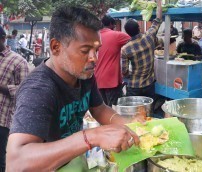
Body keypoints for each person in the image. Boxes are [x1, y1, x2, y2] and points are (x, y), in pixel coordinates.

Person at [6, 6, 145, 171]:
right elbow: (17, 161)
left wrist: (128, 125)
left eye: (96, 50)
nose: (94, 58)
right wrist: (91, 137)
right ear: (56, 47)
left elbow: (99, 108)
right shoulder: (38, 90)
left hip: (73, 157)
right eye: (85, 51)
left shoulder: (83, 74)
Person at [0, 26, 29, 172]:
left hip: (3, 119)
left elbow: (24, 91)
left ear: (3, 39)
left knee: (1, 158)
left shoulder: (18, 61)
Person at [121, 0, 162, 99]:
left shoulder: (125, 49)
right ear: (139, 28)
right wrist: (159, 3)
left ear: (127, 33)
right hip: (149, 84)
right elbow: (158, 18)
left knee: (134, 112)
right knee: (148, 110)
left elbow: (124, 71)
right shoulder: (149, 36)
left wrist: (130, 75)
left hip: (134, 86)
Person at [95, 15, 130, 107]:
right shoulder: (116, 35)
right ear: (110, 24)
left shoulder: (95, 36)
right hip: (111, 81)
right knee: (115, 109)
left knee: (103, 109)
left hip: (97, 80)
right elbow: (133, 37)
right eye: (114, 25)